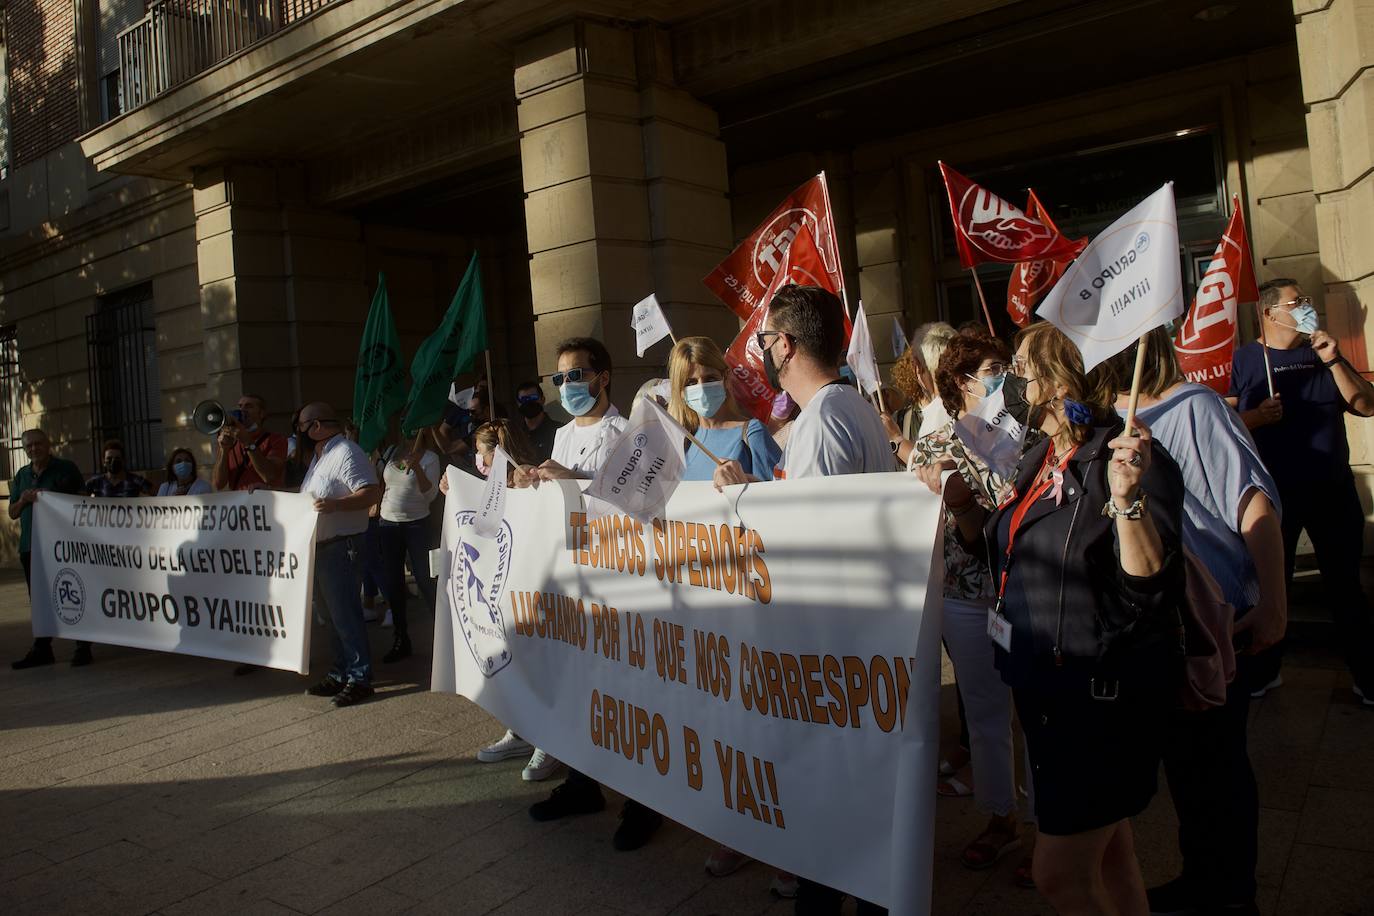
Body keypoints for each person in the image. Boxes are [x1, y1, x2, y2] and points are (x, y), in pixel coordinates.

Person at [984, 321, 1185, 916]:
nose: (1010, 381)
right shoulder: (1043, 455)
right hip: (1046, 690)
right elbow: (1016, 553)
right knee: (1114, 856)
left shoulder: (1125, 457)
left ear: (1053, 380)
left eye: (1020, 368)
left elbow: (1150, 581)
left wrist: (1126, 498)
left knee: (1060, 876)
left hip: (1099, 701)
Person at [713, 285, 891, 915]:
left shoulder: (824, 416)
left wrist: (746, 500)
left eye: (763, 340)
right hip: (859, 629)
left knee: (829, 794)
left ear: (784, 344)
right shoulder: (849, 406)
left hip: (832, 638)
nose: (760, 352)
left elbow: (808, 540)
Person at [1097, 328, 1284, 916]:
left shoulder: (1195, 406)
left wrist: (1274, 602)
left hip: (1214, 618)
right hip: (1160, 621)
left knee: (1218, 764)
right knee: (1187, 765)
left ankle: (1232, 894)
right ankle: (1203, 876)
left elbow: (1251, 501)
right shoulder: (1111, 418)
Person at [525, 337, 671, 853]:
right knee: (581, 690)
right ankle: (583, 784)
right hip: (577, 581)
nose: (567, 386)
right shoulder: (563, 435)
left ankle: (644, 802)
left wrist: (576, 481)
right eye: (560, 378)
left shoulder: (625, 433)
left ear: (603, 377)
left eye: (576, 375)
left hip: (621, 584)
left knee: (630, 694)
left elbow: (632, 500)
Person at [907, 329, 1025, 874]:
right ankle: (1001, 817)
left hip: (1032, 594)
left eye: (1007, 367)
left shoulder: (1032, 434)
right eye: (994, 368)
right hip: (968, 598)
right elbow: (926, 532)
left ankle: (1056, 832)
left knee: (1043, 716)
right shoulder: (935, 447)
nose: (1005, 378)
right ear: (961, 382)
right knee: (985, 713)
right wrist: (951, 503)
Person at [1228, 279, 1374, 705]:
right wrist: (1257, 416)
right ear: (1271, 313)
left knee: (1346, 587)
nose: (1307, 307)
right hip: (1276, 495)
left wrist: (1333, 361)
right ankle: (1264, 670)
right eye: (1298, 302)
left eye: (1307, 300)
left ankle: (1366, 676)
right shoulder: (1246, 359)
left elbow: (1365, 405)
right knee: (1275, 585)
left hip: (1333, 492)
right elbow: (1227, 427)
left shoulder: (1322, 351)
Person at [297, 402, 382, 707]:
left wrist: (336, 506)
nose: (300, 431)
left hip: (341, 546)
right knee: (330, 617)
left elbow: (371, 493)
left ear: (317, 425)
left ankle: (360, 677)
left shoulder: (347, 452)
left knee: (345, 613)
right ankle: (339, 672)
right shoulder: (320, 458)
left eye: (302, 425)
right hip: (319, 548)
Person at [9, 429, 91, 669]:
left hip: (63, 547)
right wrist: (24, 499)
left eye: (37, 444)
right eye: (29, 446)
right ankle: (42, 648)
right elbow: (13, 512)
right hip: (31, 547)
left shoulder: (66, 468)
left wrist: (52, 498)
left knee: (74, 592)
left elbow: (83, 500)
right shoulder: (22, 475)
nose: (34, 449)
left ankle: (82, 646)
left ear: (48, 443)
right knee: (39, 599)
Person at [667, 336, 781, 482]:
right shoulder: (684, 441)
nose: (701, 388)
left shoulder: (752, 433)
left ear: (726, 378)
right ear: (680, 391)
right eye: (691, 382)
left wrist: (743, 482)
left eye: (710, 379)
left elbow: (778, 495)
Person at [376, 428, 442, 663]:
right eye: (405, 429)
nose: (409, 436)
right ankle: (400, 638)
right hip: (388, 524)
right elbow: (384, 484)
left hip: (417, 525)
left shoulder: (430, 458)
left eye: (414, 432)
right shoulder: (393, 451)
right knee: (394, 584)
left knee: (425, 581)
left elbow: (431, 494)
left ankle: (443, 639)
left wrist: (416, 468)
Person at [882, 322, 958, 467]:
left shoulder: (941, 412)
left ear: (917, 367)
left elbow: (929, 472)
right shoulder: (969, 402)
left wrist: (896, 439)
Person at [210, 393, 288, 492]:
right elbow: (218, 484)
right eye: (240, 406)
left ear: (262, 413)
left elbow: (269, 476)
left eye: (249, 406)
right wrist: (224, 450)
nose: (242, 410)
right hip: (240, 504)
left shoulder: (276, 440)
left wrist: (248, 442)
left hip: (266, 503)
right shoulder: (231, 441)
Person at [84, 439, 153, 497]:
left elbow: (156, 496)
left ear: (123, 461)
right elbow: (78, 498)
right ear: (103, 462)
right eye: (109, 458)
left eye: (117, 458)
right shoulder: (96, 482)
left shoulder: (135, 480)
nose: (113, 461)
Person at [515, 380, 561, 463]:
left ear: (542, 399)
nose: (529, 402)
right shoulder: (515, 434)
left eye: (533, 398)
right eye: (524, 399)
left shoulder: (560, 431)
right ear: (518, 403)